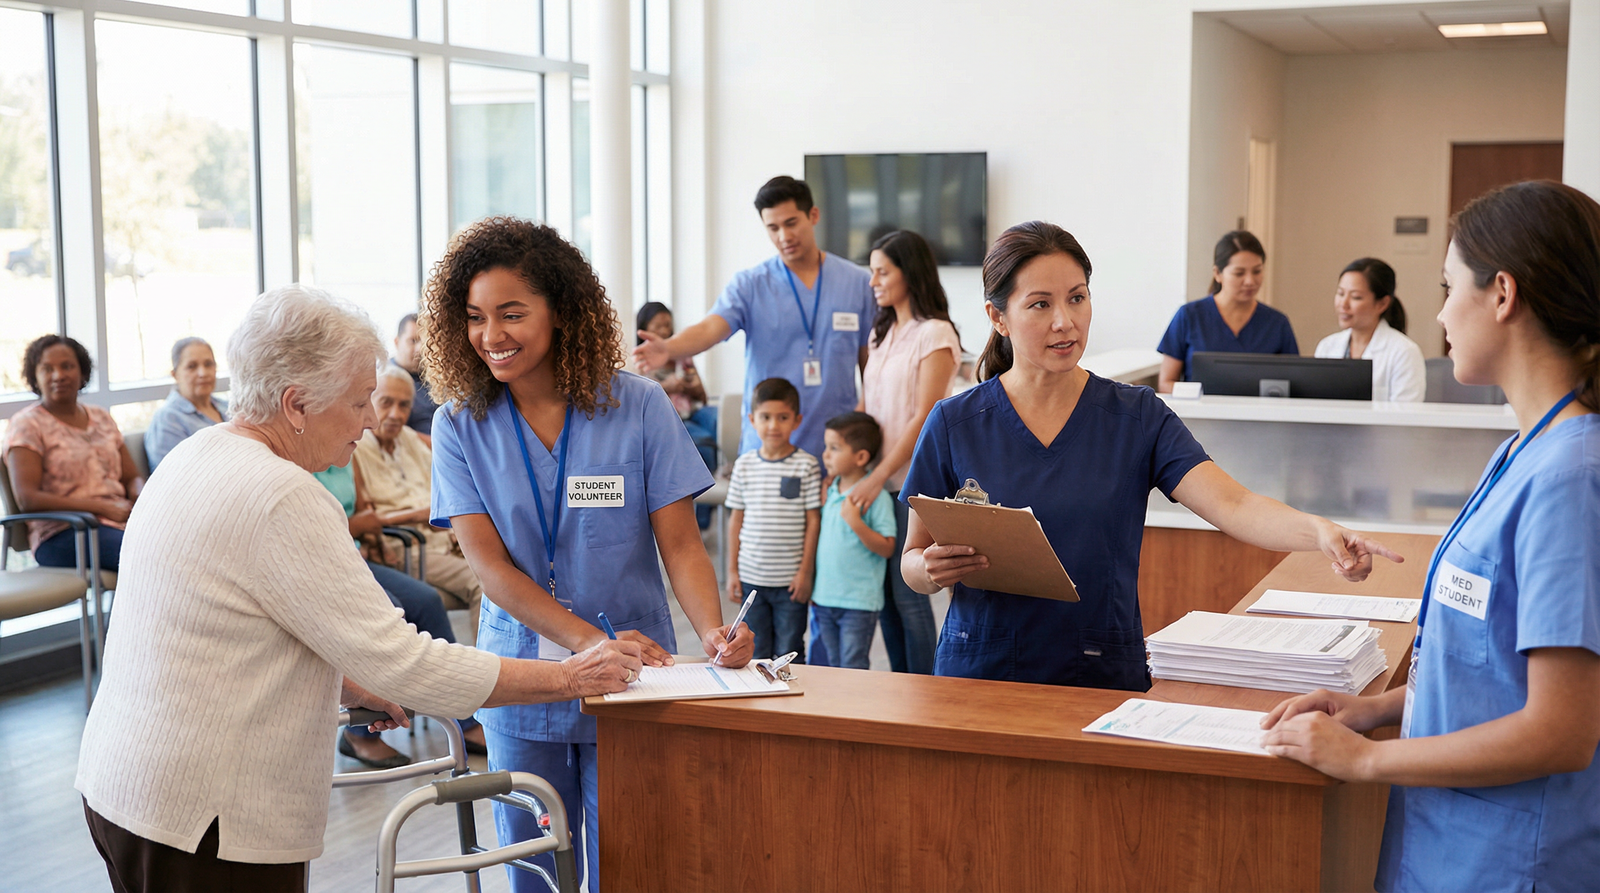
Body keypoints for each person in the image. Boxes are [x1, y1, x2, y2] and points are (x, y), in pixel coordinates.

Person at [75, 285, 641, 893]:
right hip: (207, 817)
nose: (371, 421)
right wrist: (571, 677)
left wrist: (349, 680)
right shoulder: (284, 496)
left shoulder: (198, 455)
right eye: (358, 401)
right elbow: (409, 663)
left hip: (125, 785)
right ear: (296, 404)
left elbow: (220, 620)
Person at [1261, 181, 1600, 892]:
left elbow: (1561, 729)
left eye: (1449, 287)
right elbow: (1487, 669)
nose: (1441, 312)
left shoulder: (1571, 476)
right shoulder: (1521, 453)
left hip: (1512, 863)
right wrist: (1374, 709)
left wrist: (1365, 761)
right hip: (1449, 845)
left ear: (1503, 293)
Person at [900, 221, 1401, 690]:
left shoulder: (1136, 416)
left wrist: (1318, 531)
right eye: (1039, 305)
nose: (1065, 321)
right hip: (982, 673)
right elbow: (912, 559)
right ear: (998, 317)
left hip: (1097, 668)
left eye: (1077, 298)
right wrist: (929, 571)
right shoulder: (954, 423)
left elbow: (1234, 505)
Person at [421, 216, 753, 892]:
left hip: (636, 681)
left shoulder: (638, 406)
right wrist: (588, 645)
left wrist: (714, 628)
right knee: (533, 875)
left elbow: (682, 543)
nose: (492, 335)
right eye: (476, 317)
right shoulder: (457, 425)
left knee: (629, 865)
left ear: (562, 310)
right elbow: (491, 569)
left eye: (512, 313)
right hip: (521, 685)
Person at [631, 175, 875, 460]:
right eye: (773, 228)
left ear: (813, 215)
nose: (783, 236)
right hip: (767, 451)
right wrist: (670, 347)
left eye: (791, 223)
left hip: (837, 451)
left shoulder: (858, 283)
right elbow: (711, 327)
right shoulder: (750, 285)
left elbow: (871, 367)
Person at [310, 458, 486, 768]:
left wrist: (370, 536)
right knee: (386, 610)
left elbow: (368, 516)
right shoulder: (298, 460)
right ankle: (360, 735)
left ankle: (464, 718)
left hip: (355, 556)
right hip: (325, 561)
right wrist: (360, 527)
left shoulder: (347, 457)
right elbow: (324, 525)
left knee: (427, 601)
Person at [852, 229, 961, 674]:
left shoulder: (935, 334)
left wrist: (879, 476)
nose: (874, 281)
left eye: (883, 271)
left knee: (909, 598)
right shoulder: (881, 334)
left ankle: (923, 690)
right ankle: (900, 687)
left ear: (908, 273)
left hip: (907, 485)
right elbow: (866, 407)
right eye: (872, 272)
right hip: (875, 480)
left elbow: (923, 420)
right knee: (884, 601)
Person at [352, 365, 485, 627]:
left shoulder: (410, 438)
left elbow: (445, 491)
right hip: (406, 545)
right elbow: (365, 516)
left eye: (404, 406)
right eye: (386, 403)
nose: (395, 414)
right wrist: (422, 516)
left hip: (442, 541)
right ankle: (494, 667)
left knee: (507, 569)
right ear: (369, 402)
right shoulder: (355, 446)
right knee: (485, 582)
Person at [3, 335, 143, 572]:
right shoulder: (26, 425)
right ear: (35, 376)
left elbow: (132, 476)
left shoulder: (101, 417)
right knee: (147, 554)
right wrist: (99, 508)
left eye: (67, 366)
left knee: (183, 542)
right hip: (64, 533)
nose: (58, 375)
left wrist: (141, 496)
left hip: (121, 522)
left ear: (82, 372)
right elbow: (28, 499)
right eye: (47, 369)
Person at [723, 377, 823, 662]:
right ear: (753, 419)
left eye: (782, 417)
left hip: (790, 582)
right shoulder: (744, 465)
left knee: (791, 648)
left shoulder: (807, 464)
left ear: (797, 420)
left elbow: (813, 521)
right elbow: (735, 520)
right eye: (765, 417)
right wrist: (732, 571)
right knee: (755, 649)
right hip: (752, 578)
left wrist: (805, 573)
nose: (773, 425)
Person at [1157, 230, 1299, 392]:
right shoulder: (1189, 316)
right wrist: (1201, 396)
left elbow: (1293, 385)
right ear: (1218, 273)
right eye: (1239, 273)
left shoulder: (1277, 323)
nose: (1250, 281)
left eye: (1257, 271)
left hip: (1258, 416)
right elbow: (1166, 383)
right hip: (1200, 415)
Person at [811, 412, 896, 670]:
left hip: (858, 603)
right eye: (826, 447)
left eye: (834, 448)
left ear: (860, 457)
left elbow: (888, 547)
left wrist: (856, 523)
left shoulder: (875, 497)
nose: (826, 454)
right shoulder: (828, 489)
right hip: (824, 598)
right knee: (832, 666)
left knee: (853, 667)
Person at [1313, 258, 1426, 402]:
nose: (1343, 304)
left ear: (1382, 303)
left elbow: (1405, 416)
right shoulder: (1327, 346)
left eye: (1356, 297)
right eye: (1340, 294)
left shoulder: (1404, 352)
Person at [633, 301, 717, 471]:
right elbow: (639, 401)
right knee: (702, 441)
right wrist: (667, 386)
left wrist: (689, 388)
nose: (664, 331)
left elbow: (703, 396)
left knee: (715, 418)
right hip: (669, 417)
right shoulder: (640, 360)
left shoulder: (683, 356)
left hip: (692, 411)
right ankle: (706, 484)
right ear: (644, 329)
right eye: (658, 326)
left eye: (667, 325)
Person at [144, 336, 228, 471]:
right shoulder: (168, 419)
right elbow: (171, 478)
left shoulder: (230, 408)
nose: (203, 373)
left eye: (208, 364)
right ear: (175, 374)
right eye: (191, 366)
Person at [392, 312, 439, 437]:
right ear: (397, 342)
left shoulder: (435, 376)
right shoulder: (387, 380)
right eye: (413, 341)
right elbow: (393, 433)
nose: (420, 349)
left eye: (425, 342)